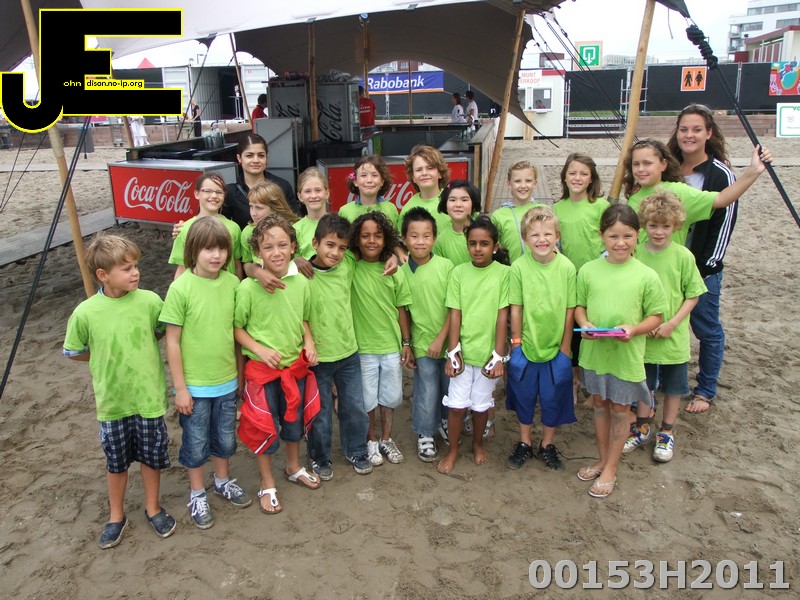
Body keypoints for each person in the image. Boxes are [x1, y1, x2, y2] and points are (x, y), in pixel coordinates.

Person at [63, 235, 176, 548]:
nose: (135, 272)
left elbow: (161, 331)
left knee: (151, 458)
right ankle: (116, 515)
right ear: (103, 275)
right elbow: (73, 351)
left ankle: (153, 508)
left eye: (136, 266)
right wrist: (101, 355)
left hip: (149, 398)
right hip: (112, 402)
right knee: (116, 462)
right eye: (126, 269)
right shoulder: (85, 312)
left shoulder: (150, 301)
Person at [161, 217, 251, 530]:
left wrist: (240, 376)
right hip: (195, 386)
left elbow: (236, 333)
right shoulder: (180, 288)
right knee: (196, 442)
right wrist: (180, 388)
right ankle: (197, 493)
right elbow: (172, 341)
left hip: (227, 380)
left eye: (222, 249)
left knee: (225, 437)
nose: (216, 256)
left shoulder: (233, 283)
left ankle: (223, 481)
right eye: (208, 249)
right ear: (193, 250)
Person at [574, 205, 666, 499]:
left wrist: (635, 329)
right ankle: (603, 459)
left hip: (626, 357)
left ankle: (612, 467)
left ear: (638, 235)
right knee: (600, 405)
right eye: (613, 236)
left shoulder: (646, 275)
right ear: (601, 235)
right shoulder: (588, 270)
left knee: (620, 410)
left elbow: (656, 316)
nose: (620, 243)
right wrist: (584, 323)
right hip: (595, 354)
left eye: (627, 236)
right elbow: (579, 306)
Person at [234, 215, 321, 515]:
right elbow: (236, 328)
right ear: (257, 252)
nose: (276, 252)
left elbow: (303, 319)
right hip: (262, 373)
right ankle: (267, 481)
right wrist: (259, 349)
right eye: (268, 247)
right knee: (264, 427)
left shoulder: (301, 283)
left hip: (294, 368)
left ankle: (293, 466)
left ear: (294, 246)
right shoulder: (247, 289)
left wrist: (309, 342)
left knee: (293, 423)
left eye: (283, 245)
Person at [624, 192, 706, 463]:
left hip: (673, 335)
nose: (659, 232)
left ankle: (667, 431)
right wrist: (642, 324)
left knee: (674, 387)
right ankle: (642, 426)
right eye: (653, 225)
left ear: (676, 226)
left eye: (666, 226)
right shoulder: (636, 253)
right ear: (644, 225)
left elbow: (693, 295)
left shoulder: (683, 256)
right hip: (644, 335)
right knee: (643, 383)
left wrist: (671, 323)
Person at [667, 104, 737, 413]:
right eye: (684, 129)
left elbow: (724, 225)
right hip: (668, 265)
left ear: (709, 133)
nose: (689, 135)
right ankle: (664, 381)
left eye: (696, 129)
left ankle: (705, 389)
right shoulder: (668, 168)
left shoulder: (720, 174)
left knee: (706, 329)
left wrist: (706, 268)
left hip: (702, 267)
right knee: (666, 324)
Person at [438, 215, 510, 475]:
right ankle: (453, 450)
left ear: (495, 246)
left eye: (484, 243)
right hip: (463, 354)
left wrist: (498, 355)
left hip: (488, 354)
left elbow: (503, 315)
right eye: (472, 243)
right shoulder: (458, 273)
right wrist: (453, 352)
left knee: (481, 406)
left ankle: (478, 444)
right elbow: (455, 313)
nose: (478, 248)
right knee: (456, 406)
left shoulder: (504, 274)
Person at [506, 206, 576, 471]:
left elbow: (570, 310)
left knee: (552, 396)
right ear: (525, 238)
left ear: (557, 236)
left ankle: (547, 444)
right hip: (526, 345)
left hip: (556, 347)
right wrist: (516, 344)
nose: (541, 239)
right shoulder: (518, 267)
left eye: (547, 233)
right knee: (524, 396)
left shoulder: (567, 267)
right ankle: (524, 441)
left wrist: (566, 348)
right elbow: (516, 308)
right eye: (534, 234)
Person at [305, 214, 374, 479]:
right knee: (320, 412)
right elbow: (298, 315)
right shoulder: (303, 275)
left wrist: (394, 254)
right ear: (315, 243)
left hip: (348, 352)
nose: (335, 253)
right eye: (330, 245)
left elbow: (375, 248)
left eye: (342, 247)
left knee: (354, 406)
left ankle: (356, 449)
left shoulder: (348, 265)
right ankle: (320, 456)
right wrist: (296, 261)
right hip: (318, 358)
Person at [349, 212, 414, 466]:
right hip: (363, 348)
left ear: (385, 238)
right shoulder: (351, 267)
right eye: (365, 236)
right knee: (367, 399)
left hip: (390, 346)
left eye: (377, 235)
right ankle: (371, 439)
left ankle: (387, 438)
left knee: (390, 397)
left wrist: (406, 342)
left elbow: (401, 308)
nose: (371, 240)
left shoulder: (394, 270)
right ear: (357, 239)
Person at [623, 138, 772, 247]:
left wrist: (754, 171)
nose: (641, 169)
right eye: (636, 164)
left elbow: (721, 199)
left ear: (663, 165)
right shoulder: (633, 196)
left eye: (647, 163)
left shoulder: (679, 192)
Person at [552, 153, 609, 403]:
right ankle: (574, 382)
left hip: (596, 279)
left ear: (591, 179)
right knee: (573, 331)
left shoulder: (601, 207)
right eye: (572, 173)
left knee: (594, 328)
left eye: (583, 174)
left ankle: (595, 387)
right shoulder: (558, 208)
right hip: (569, 280)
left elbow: (608, 242)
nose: (577, 178)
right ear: (564, 177)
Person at [400, 208, 454, 461]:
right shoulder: (401, 273)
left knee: (448, 386)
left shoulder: (446, 266)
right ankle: (425, 432)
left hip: (448, 341)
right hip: (422, 344)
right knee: (426, 389)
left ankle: (445, 421)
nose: (420, 241)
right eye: (414, 236)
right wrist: (407, 343)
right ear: (404, 239)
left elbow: (455, 308)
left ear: (434, 238)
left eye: (426, 236)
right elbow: (402, 311)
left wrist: (442, 339)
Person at [169, 172, 243, 280]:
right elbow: (182, 267)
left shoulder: (234, 227)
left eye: (219, 192)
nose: (214, 196)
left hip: (227, 287)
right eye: (208, 191)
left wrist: (238, 287)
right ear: (197, 194)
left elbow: (236, 265)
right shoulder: (184, 228)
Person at [221, 133, 301, 228]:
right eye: (249, 155)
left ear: (267, 158)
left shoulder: (282, 186)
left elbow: (295, 221)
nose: (256, 160)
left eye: (261, 155)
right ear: (239, 158)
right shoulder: (231, 192)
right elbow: (222, 225)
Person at [240, 180, 299, 281]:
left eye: (259, 208)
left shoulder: (293, 228)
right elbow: (246, 263)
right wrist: (256, 271)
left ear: (275, 207)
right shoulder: (247, 232)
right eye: (251, 206)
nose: (253, 213)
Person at [491, 161, 542, 263]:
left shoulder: (543, 211)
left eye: (528, 181)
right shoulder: (498, 215)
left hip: (539, 269)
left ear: (535, 184)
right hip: (510, 269)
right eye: (517, 181)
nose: (523, 185)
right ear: (509, 184)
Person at [339, 155, 399, 231]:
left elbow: (396, 236)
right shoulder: (345, 211)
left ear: (382, 181)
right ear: (355, 181)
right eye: (363, 175)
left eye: (374, 175)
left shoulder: (390, 208)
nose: (369, 180)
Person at [400, 144, 451, 231]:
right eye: (418, 170)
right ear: (413, 177)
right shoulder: (407, 210)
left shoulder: (453, 201)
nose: (424, 173)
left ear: (440, 173)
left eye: (430, 168)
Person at [434, 179, 481, 266]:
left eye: (464, 200)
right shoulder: (441, 240)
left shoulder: (483, 232)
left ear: (473, 205)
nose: (458, 205)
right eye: (452, 200)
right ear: (445, 205)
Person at [293, 167, 331, 260]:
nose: (313, 196)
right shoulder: (296, 229)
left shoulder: (338, 223)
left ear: (327, 193)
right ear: (300, 196)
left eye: (318, 190)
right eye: (308, 191)